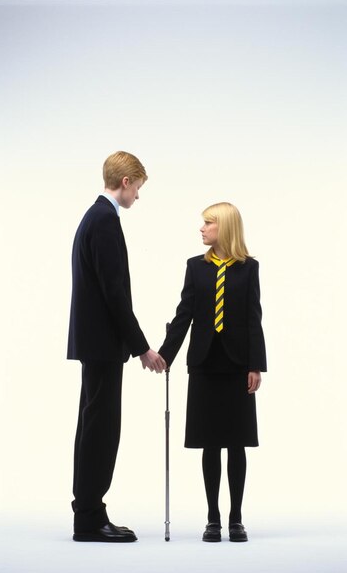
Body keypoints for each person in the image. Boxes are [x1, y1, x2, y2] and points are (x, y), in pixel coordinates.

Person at [67, 151, 166, 542]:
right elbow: (115, 295)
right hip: (104, 345)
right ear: (126, 182)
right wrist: (142, 348)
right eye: (138, 187)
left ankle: (88, 512)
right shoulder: (106, 220)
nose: (138, 196)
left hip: (95, 344)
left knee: (93, 427)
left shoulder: (93, 216)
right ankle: (90, 518)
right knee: (102, 430)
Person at [158, 202, 266, 542]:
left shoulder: (248, 269)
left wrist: (256, 365)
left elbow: (253, 318)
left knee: (236, 443)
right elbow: (184, 314)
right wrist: (164, 355)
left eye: (208, 223)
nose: (202, 229)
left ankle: (236, 518)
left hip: (236, 366)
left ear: (226, 228)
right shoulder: (196, 267)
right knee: (209, 443)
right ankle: (213, 519)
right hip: (204, 364)